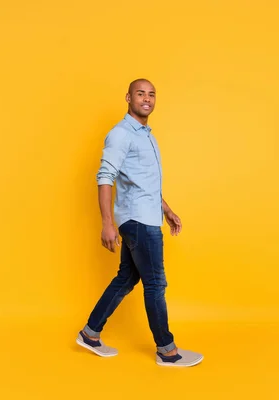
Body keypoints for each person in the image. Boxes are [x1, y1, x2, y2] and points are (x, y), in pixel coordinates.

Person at [75, 79, 203, 367]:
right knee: (155, 284)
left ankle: (90, 333)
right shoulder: (121, 134)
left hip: (145, 216)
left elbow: (144, 183)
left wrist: (167, 210)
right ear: (128, 98)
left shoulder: (145, 134)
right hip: (138, 222)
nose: (146, 99)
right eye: (140, 94)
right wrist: (107, 223)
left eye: (151, 94)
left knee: (127, 278)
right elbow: (105, 177)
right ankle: (167, 351)